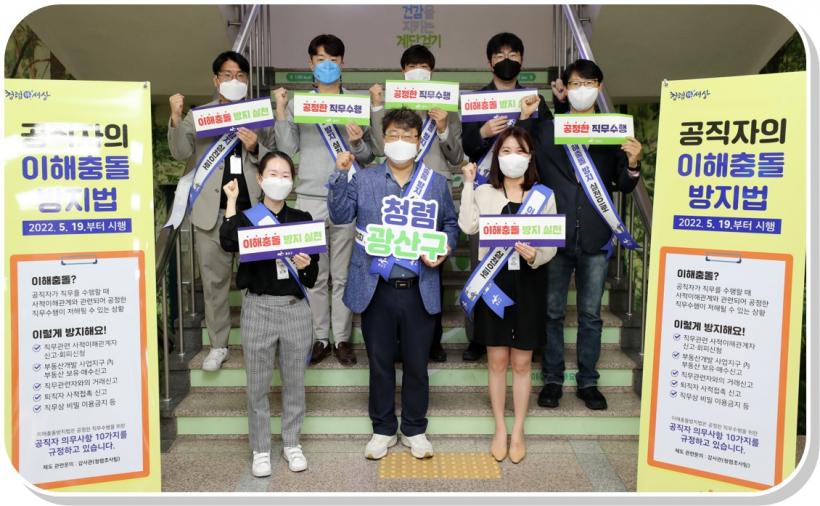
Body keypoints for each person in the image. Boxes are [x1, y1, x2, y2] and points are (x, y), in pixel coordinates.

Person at [327, 108, 459, 460]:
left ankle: (415, 428)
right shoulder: (365, 179)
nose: (400, 142)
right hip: (377, 287)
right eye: (393, 135)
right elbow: (340, 216)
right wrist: (340, 176)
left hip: (419, 286)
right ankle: (383, 428)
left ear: (419, 141)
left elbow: (450, 224)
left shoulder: (435, 183)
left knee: (417, 363)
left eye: (408, 136)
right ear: (383, 140)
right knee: (380, 362)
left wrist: (445, 247)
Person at [534, 58, 643, 411]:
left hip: (595, 238)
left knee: (591, 316)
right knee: (552, 312)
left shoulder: (614, 130)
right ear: (565, 89)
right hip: (554, 236)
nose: (582, 89)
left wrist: (633, 163)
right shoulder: (549, 130)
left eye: (588, 83)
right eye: (575, 84)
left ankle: (588, 381)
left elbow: (623, 184)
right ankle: (552, 379)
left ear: (599, 86)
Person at [459, 32, 569, 363]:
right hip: (487, 193)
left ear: (522, 59)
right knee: (482, 265)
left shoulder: (535, 100)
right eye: (500, 55)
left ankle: (526, 336)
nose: (506, 60)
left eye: (513, 54)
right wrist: (483, 133)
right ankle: (478, 337)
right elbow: (467, 144)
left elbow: (547, 142)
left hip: (523, 194)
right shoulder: (477, 101)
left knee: (525, 265)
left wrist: (551, 109)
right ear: (489, 62)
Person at [168, 50, 276, 371]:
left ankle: (260, 340)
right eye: (228, 75)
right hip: (211, 212)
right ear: (216, 80)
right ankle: (218, 346)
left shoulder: (258, 113)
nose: (234, 80)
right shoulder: (199, 116)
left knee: (258, 280)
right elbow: (180, 151)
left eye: (240, 76)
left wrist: (255, 146)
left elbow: (276, 156)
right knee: (215, 284)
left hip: (251, 210)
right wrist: (175, 117)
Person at [273, 34, 375, 367]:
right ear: (310, 63)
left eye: (333, 60)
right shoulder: (299, 104)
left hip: (347, 195)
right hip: (309, 198)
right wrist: (281, 110)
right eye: (320, 59)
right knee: (314, 273)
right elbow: (286, 149)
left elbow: (370, 155)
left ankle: (342, 338)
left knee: (343, 274)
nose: (327, 65)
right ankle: (320, 338)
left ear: (342, 62)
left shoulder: (357, 104)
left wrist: (357, 143)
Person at [459, 126, 557, 464]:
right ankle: (500, 428)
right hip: (493, 284)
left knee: (522, 362)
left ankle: (518, 431)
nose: (513, 157)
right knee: (497, 361)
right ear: (497, 157)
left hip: (529, 282)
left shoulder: (544, 195)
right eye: (506, 151)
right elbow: (468, 226)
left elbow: (551, 244)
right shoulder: (485, 192)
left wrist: (535, 255)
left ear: (530, 157)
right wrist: (468, 184)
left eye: (520, 151)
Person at [219, 151, 318, 476]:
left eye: (285, 175)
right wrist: (231, 200)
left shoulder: (302, 218)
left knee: (295, 382)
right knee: (257, 385)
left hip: (294, 309)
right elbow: (227, 240)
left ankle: (292, 443)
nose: (279, 180)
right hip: (258, 309)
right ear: (260, 179)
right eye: (272, 174)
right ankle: (261, 448)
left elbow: (311, 277)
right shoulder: (248, 219)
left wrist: (305, 265)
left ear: (292, 182)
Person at [368, 44, 465, 363]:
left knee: (432, 267)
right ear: (403, 72)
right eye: (411, 66)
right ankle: (396, 340)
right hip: (395, 193)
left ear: (432, 71)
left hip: (431, 195)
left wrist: (443, 127)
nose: (417, 71)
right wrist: (377, 107)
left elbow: (456, 157)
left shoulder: (447, 106)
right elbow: (379, 149)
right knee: (397, 265)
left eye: (423, 66)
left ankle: (432, 339)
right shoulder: (395, 105)